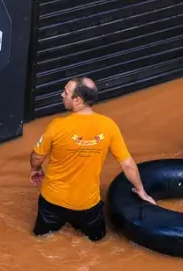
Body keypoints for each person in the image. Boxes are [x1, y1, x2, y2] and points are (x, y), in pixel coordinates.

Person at [29, 77, 156, 241]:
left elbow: (37, 156)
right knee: (98, 242)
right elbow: (127, 164)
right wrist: (141, 190)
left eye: (66, 93)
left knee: (40, 240)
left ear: (77, 100)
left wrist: (35, 169)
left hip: (52, 202)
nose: (61, 95)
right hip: (87, 206)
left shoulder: (56, 126)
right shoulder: (109, 126)